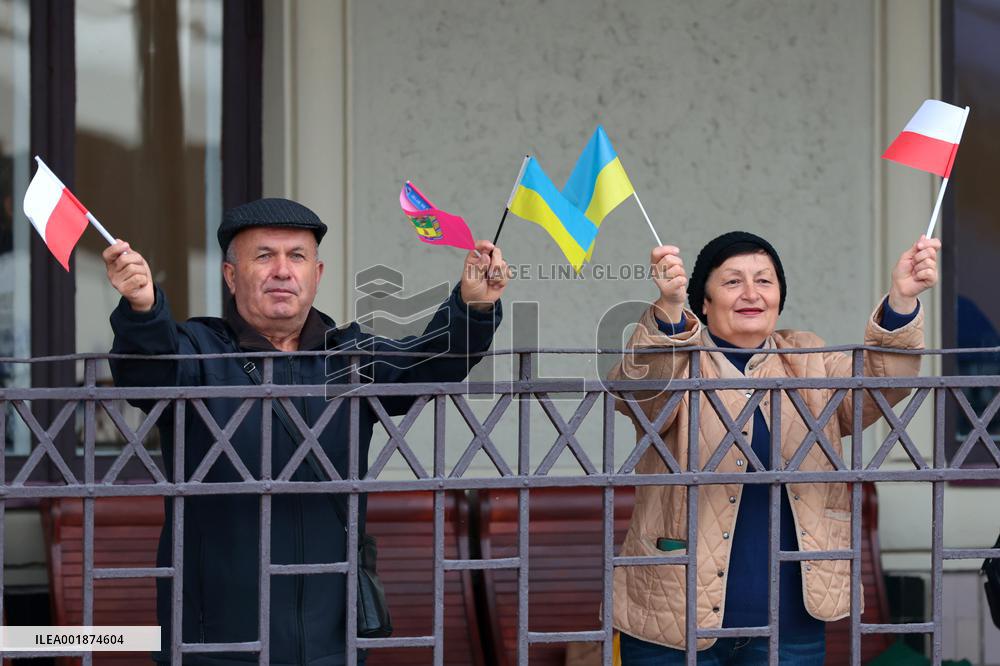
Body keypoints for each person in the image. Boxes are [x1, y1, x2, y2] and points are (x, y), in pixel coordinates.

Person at [104, 197, 509, 665]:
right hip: (215, 643)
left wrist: (472, 309)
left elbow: (431, 362)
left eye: (296, 256)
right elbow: (146, 375)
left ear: (317, 274)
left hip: (332, 641)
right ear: (231, 276)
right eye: (263, 256)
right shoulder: (197, 350)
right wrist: (143, 309)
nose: (282, 270)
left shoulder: (351, 357)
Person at [610, 231, 938, 664]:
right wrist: (669, 310)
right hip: (671, 618)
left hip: (790, 625)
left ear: (780, 298)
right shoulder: (679, 359)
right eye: (732, 282)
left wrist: (900, 300)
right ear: (703, 302)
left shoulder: (808, 360)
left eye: (764, 281)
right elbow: (642, 390)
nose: (751, 293)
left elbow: (881, 382)